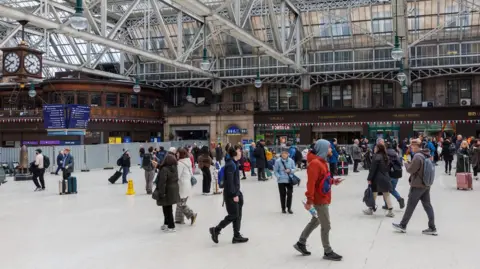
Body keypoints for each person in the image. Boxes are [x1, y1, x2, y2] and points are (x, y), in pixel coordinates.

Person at [293, 139, 343, 261]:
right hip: (319, 199)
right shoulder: (315, 164)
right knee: (326, 225)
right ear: (323, 149)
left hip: (322, 196)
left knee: (316, 220)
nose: (331, 149)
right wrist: (310, 200)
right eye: (329, 147)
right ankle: (328, 251)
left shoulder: (322, 162)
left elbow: (323, 180)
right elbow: (311, 184)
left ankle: (301, 242)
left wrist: (333, 181)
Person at [393, 139, 437, 235]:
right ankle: (432, 227)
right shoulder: (426, 154)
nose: (411, 148)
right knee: (427, 205)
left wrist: (406, 162)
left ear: (416, 146)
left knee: (410, 206)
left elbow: (411, 170)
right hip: (426, 184)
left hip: (417, 185)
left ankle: (403, 225)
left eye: (412, 146)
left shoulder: (417, 156)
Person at [209, 145, 248, 244]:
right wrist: (234, 194)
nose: (241, 152)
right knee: (234, 215)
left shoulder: (234, 162)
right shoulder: (230, 164)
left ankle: (236, 235)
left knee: (238, 215)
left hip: (237, 193)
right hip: (231, 194)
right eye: (240, 151)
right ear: (235, 152)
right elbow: (229, 182)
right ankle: (216, 229)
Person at [363, 143, 395, 217]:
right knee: (386, 194)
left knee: (373, 193)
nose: (374, 149)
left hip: (377, 178)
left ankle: (370, 209)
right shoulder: (386, 156)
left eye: (375, 148)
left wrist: (369, 178)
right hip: (386, 177)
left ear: (378, 149)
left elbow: (372, 169)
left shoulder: (376, 156)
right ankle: (390, 211)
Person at [153, 154, 180, 233]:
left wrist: (161, 193)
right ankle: (166, 223)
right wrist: (158, 166)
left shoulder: (164, 169)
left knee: (167, 209)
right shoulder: (174, 168)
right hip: (173, 190)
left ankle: (171, 226)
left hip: (166, 190)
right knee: (167, 207)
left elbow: (162, 182)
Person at [175, 148, 198, 225]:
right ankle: (179, 219)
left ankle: (192, 215)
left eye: (178, 153)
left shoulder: (180, 163)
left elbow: (177, 176)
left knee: (180, 203)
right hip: (187, 184)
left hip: (182, 185)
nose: (176, 154)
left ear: (181, 154)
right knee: (181, 201)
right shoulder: (188, 161)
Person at [383, 141, 405, 209]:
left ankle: (388, 204)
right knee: (392, 189)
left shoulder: (385, 153)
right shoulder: (395, 152)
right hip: (396, 174)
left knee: (386, 190)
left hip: (389, 174)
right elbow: (400, 163)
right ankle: (397, 200)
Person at [274, 149, 296, 214]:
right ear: (281, 154)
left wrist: (290, 170)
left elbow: (294, 169)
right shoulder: (277, 161)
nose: (284, 155)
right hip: (281, 180)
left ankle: (289, 208)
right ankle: (283, 208)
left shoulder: (291, 161)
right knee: (282, 194)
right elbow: (275, 171)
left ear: (288, 154)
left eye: (286, 153)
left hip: (289, 179)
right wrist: (279, 177)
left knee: (290, 194)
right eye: (283, 153)